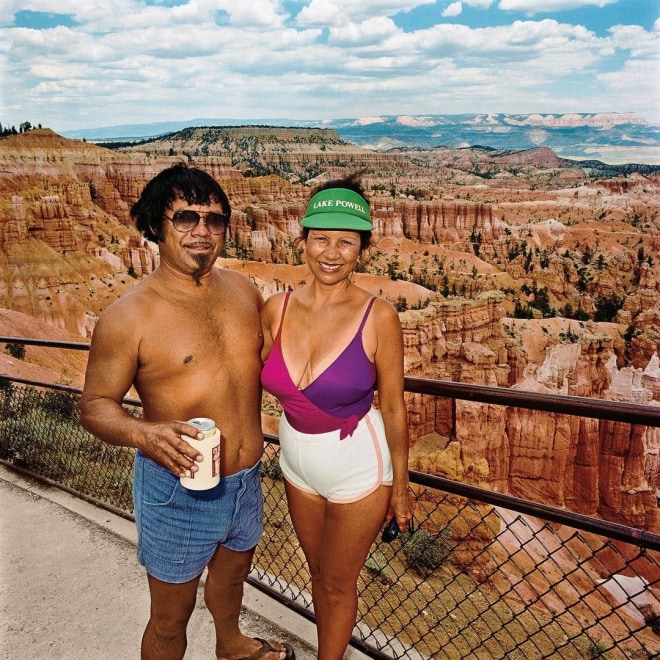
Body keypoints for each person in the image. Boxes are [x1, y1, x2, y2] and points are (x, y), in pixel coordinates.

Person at [80, 163, 294, 660]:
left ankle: (232, 645)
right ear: (156, 224)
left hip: (244, 479)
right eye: (186, 217)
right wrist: (145, 435)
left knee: (232, 581)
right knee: (170, 619)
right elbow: (94, 407)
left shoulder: (243, 290)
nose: (203, 231)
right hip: (178, 490)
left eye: (216, 220)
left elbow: (267, 365)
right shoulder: (128, 317)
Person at [260, 173, 414, 660]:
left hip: (357, 469)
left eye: (345, 242)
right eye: (320, 238)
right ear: (303, 240)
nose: (331, 252)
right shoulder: (275, 309)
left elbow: (392, 404)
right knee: (318, 575)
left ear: (362, 249)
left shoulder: (379, 317)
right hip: (295, 462)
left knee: (337, 584)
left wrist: (403, 487)